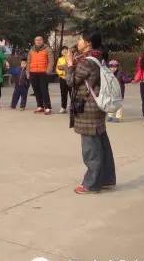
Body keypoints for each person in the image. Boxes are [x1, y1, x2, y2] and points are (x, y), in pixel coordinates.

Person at [66, 31, 116, 194]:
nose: (78, 42)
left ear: (88, 43)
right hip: (97, 106)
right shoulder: (99, 57)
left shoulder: (86, 61)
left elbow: (71, 81)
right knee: (101, 143)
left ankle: (91, 184)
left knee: (91, 148)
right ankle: (106, 179)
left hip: (88, 108)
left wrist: (69, 65)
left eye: (80, 39)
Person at [27, 35, 55, 115]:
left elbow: (51, 60)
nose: (38, 41)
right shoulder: (31, 50)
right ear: (34, 41)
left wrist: (48, 70)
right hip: (33, 72)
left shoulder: (47, 49)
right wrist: (28, 72)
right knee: (36, 90)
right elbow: (28, 62)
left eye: (40, 40)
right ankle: (40, 106)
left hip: (43, 73)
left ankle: (48, 107)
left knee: (44, 90)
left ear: (42, 41)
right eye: (37, 40)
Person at [56, 46, 70, 114]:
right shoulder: (60, 59)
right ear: (61, 52)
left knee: (72, 93)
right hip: (63, 79)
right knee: (63, 94)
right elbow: (57, 68)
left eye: (66, 50)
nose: (64, 51)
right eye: (63, 50)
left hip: (70, 78)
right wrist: (62, 75)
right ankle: (63, 107)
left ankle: (73, 107)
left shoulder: (71, 58)